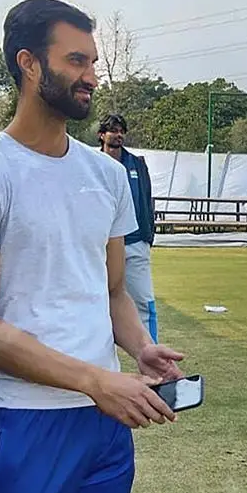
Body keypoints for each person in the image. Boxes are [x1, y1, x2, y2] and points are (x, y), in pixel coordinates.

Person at [0, 0, 186, 493]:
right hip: (22, 423)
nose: (92, 75)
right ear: (29, 64)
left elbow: (113, 289)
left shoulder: (106, 174)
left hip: (102, 427)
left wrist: (140, 347)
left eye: (93, 61)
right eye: (76, 60)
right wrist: (95, 380)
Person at [98, 113, 159, 340]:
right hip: (100, 245)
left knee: (144, 301)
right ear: (102, 135)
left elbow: (146, 197)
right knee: (96, 301)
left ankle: (153, 357)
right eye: (113, 130)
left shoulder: (136, 164)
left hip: (134, 243)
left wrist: (147, 236)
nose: (119, 135)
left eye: (122, 131)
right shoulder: (92, 165)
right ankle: (97, 360)